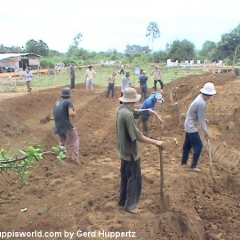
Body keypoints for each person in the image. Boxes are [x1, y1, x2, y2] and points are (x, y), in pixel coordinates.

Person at [116, 87, 165, 214]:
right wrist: (156, 142)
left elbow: (135, 112)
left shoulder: (121, 109)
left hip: (123, 151)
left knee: (125, 177)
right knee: (135, 179)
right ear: (132, 100)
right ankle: (131, 206)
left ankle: (122, 201)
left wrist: (147, 110)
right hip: (131, 152)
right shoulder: (127, 115)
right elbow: (138, 136)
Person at [181, 82, 216, 172]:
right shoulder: (201, 103)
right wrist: (206, 133)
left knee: (187, 145)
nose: (210, 98)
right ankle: (193, 166)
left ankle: (184, 161)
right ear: (208, 94)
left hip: (188, 123)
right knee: (199, 145)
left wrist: (203, 120)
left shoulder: (199, 97)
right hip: (191, 126)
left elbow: (197, 116)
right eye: (210, 96)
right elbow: (200, 119)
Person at [53, 88, 80, 164]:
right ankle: (75, 158)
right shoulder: (68, 102)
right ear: (68, 96)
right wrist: (74, 114)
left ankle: (60, 156)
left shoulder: (57, 102)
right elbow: (70, 113)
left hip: (58, 125)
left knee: (62, 140)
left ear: (61, 95)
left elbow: (55, 114)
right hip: (65, 125)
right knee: (75, 139)